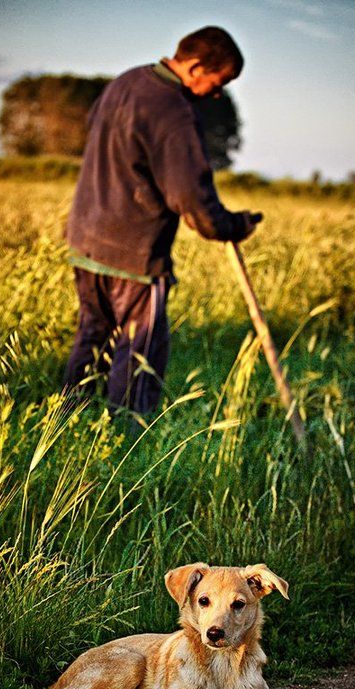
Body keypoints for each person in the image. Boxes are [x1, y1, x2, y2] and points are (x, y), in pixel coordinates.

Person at [63, 26, 260, 414]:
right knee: (140, 352)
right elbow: (191, 198)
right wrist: (232, 226)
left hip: (85, 241)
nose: (218, 94)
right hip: (135, 254)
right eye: (218, 83)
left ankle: (67, 427)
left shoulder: (125, 82)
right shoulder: (173, 110)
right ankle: (129, 444)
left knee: (92, 337)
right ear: (196, 66)